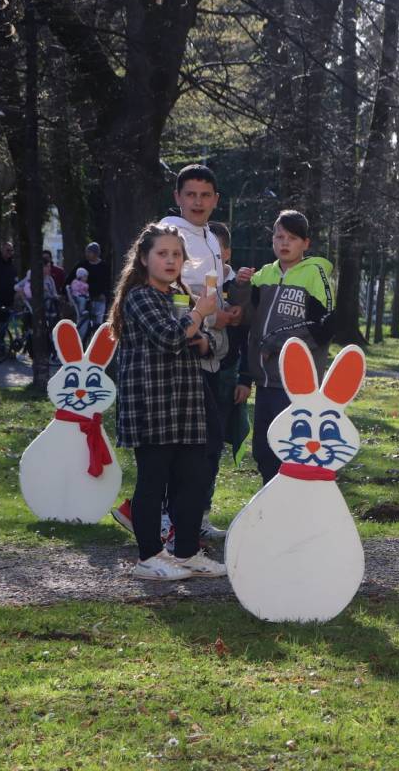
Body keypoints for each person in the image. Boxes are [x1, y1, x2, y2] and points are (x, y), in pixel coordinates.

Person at [109, 223, 226, 581]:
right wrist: (199, 313)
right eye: (162, 254)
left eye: (176, 254)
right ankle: (149, 557)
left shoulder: (177, 295)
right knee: (153, 482)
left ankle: (187, 553)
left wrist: (203, 340)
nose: (171, 260)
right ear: (144, 259)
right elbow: (169, 337)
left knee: (192, 480)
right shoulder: (140, 297)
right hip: (152, 406)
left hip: (185, 406)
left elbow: (196, 338)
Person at [157, 164, 250, 541]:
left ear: (216, 200)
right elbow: (170, 292)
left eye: (205, 195)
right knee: (183, 444)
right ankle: (164, 520)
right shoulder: (169, 232)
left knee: (206, 444)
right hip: (181, 354)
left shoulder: (211, 237)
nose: (198, 202)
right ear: (177, 197)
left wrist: (227, 311)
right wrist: (212, 317)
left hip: (211, 355)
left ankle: (192, 518)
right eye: (190, 194)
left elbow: (212, 290)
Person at [232, 209, 334, 484]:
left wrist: (277, 342)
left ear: (305, 243)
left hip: (297, 385)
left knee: (291, 449)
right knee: (264, 450)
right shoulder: (264, 275)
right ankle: (270, 497)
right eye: (279, 237)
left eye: (292, 238)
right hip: (265, 381)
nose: (284, 243)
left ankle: (295, 500)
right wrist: (240, 286)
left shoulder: (315, 274)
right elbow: (244, 317)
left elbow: (324, 326)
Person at [209, 221, 253, 465]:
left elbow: (249, 336)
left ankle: (206, 488)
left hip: (228, 373)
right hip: (197, 371)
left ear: (227, 253)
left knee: (215, 440)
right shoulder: (192, 282)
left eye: (215, 251)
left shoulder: (240, 287)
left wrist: (245, 379)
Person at [74, 242, 110, 330]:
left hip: (99, 298)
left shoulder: (103, 266)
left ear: (95, 253)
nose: (87, 254)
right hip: (87, 298)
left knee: (98, 323)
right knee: (85, 322)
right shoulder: (83, 265)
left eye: (89, 252)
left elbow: (106, 282)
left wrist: (104, 294)